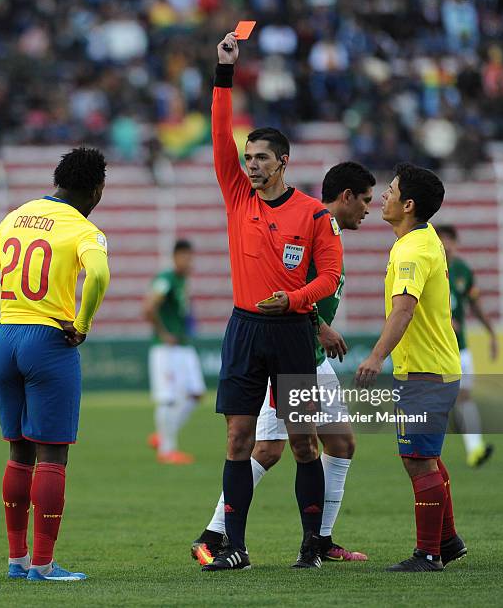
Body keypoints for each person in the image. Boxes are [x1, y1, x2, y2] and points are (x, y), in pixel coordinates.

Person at [202, 32, 343, 571]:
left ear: (283, 161)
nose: (251, 165)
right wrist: (223, 72)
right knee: (238, 438)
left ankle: (312, 545)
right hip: (244, 330)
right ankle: (233, 547)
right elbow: (219, 132)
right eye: (248, 157)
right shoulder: (237, 195)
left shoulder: (313, 215)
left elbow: (329, 277)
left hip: (291, 333)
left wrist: (296, 300)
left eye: (261, 158)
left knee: (305, 442)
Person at [191, 162, 375, 565]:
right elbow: (282, 285)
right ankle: (215, 534)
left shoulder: (328, 230)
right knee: (270, 448)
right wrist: (319, 324)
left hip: (312, 359)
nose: (368, 209)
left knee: (338, 442)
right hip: (290, 354)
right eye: (364, 200)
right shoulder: (309, 223)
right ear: (346, 196)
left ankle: (320, 541)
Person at [0, 147, 110, 582]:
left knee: (17, 451)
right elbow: (98, 277)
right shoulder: (86, 230)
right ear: (95, 190)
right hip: (48, 340)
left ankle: (17, 559)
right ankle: (44, 565)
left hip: (6, 338)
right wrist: (82, 323)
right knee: (52, 454)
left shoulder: (15, 216)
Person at [356, 163, 467, 572]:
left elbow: (403, 310)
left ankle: (428, 553)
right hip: (433, 367)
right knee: (428, 458)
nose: (382, 196)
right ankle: (447, 541)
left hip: (423, 371)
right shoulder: (424, 239)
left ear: (409, 204)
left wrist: (375, 357)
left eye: (390, 190)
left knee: (418, 460)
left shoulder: (411, 250)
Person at [435, 224, 496, 467]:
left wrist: (491, 333)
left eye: (451, 239)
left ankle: (475, 449)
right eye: (442, 239)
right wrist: (442, 321)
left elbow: (475, 305)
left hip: (460, 347)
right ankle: (429, 454)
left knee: (464, 397)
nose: (447, 243)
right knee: (442, 401)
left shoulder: (462, 270)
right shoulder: (429, 267)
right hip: (435, 348)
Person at [143, 239, 205, 464]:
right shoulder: (166, 279)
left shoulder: (181, 281)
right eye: (186, 257)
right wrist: (163, 333)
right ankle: (167, 450)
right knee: (167, 399)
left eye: (191, 257)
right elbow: (149, 307)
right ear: (176, 257)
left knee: (196, 393)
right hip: (166, 348)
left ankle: (163, 436)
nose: (189, 261)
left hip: (183, 345)